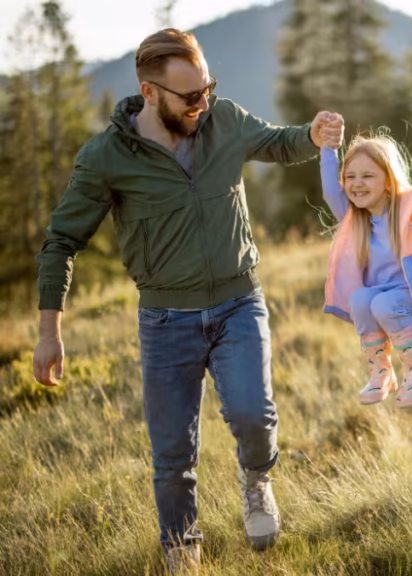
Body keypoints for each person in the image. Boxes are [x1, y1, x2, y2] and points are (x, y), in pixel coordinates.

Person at [31, 28, 342, 573]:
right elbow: (61, 242)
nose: (204, 103)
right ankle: (182, 548)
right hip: (165, 319)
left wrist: (313, 134)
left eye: (207, 88)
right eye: (190, 96)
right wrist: (48, 331)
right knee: (172, 453)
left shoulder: (223, 119)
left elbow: (277, 141)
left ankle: (256, 479)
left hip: (238, 301)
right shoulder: (106, 158)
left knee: (253, 415)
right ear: (148, 92)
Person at [320, 130, 412, 407]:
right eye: (350, 176)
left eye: (367, 176)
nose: (357, 184)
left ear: (387, 180)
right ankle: (381, 372)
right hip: (387, 309)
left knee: (383, 302)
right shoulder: (354, 218)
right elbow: (329, 191)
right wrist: (327, 148)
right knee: (359, 299)